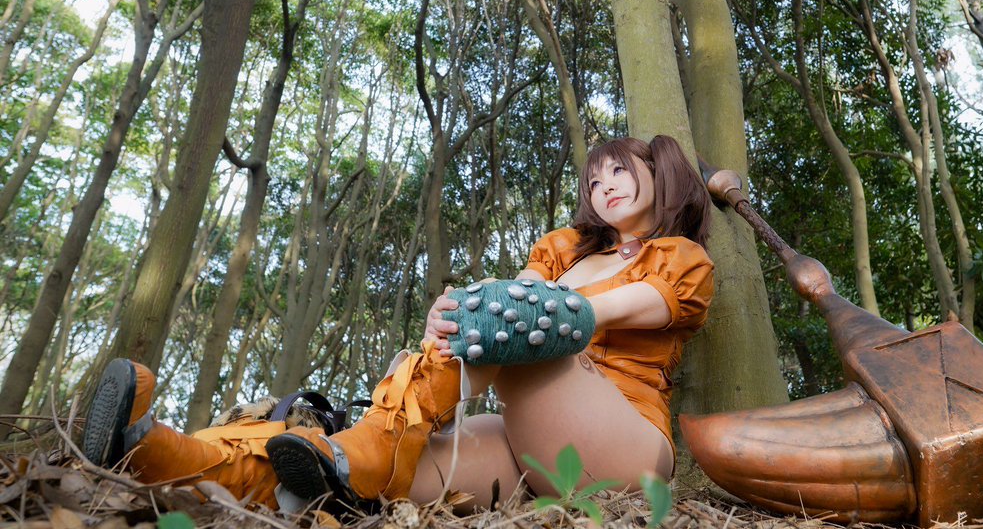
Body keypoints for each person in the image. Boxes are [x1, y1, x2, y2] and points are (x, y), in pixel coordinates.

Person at [84, 134, 714, 512]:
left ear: (660, 174)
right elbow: (516, 296)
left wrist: (488, 312)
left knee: (513, 317)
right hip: (528, 448)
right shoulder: (565, 249)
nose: (605, 186)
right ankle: (172, 456)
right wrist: (454, 318)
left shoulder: (680, 258)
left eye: (620, 170)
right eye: (594, 180)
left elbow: (592, 311)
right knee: (384, 473)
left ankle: (371, 443)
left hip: (622, 447)